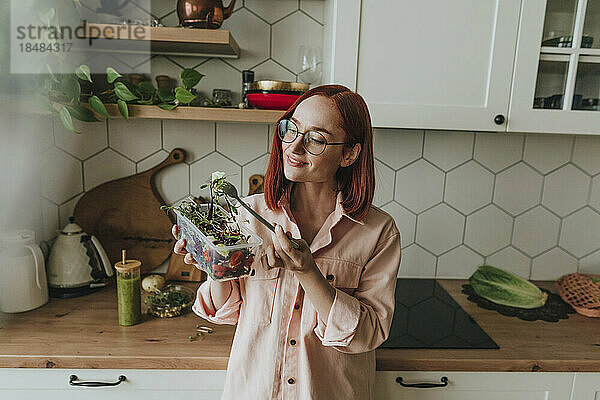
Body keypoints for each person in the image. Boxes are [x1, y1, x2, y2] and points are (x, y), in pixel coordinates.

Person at [171, 85, 401, 399]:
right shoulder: (248, 214)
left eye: (316, 139)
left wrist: (309, 273)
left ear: (349, 153)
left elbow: (368, 333)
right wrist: (214, 261)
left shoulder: (378, 232)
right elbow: (226, 311)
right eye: (290, 130)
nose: (293, 147)